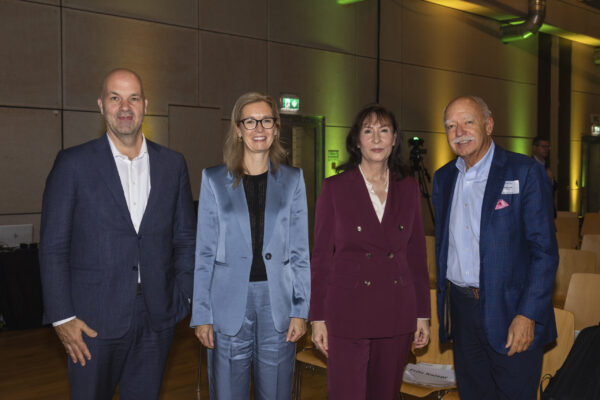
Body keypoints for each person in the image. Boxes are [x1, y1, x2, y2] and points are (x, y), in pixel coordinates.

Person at [39, 68, 196, 399]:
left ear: (145, 105)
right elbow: (53, 247)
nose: (125, 106)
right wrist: (62, 317)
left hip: (157, 317)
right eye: (115, 97)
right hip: (91, 320)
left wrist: (185, 296)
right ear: (101, 105)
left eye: (133, 98)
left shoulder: (173, 165)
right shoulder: (72, 164)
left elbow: (184, 238)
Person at [433, 96, 559, 400]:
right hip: (462, 311)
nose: (459, 131)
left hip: (511, 312)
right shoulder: (443, 178)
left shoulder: (525, 172)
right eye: (451, 125)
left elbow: (544, 252)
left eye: (468, 122)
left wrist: (528, 314)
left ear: (489, 125)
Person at [191, 92, 310, 399]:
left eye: (266, 120)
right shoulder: (214, 179)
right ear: (237, 129)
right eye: (251, 121)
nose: (259, 128)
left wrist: (301, 309)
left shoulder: (294, 180)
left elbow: (300, 251)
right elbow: (204, 251)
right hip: (228, 303)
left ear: (276, 127)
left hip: (278, 304)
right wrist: (201, 313)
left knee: (276, 392)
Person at [309, 104, 431, 400]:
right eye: (368, 131)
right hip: (347, 311)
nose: (376, 138)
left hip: (397, 309)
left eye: (384, 130)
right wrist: (317, 317)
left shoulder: (409, 188)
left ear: (394, 140)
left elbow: (416, 255)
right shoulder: (335, 187)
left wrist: (422, 314)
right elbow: (321, 257)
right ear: (357, 141)